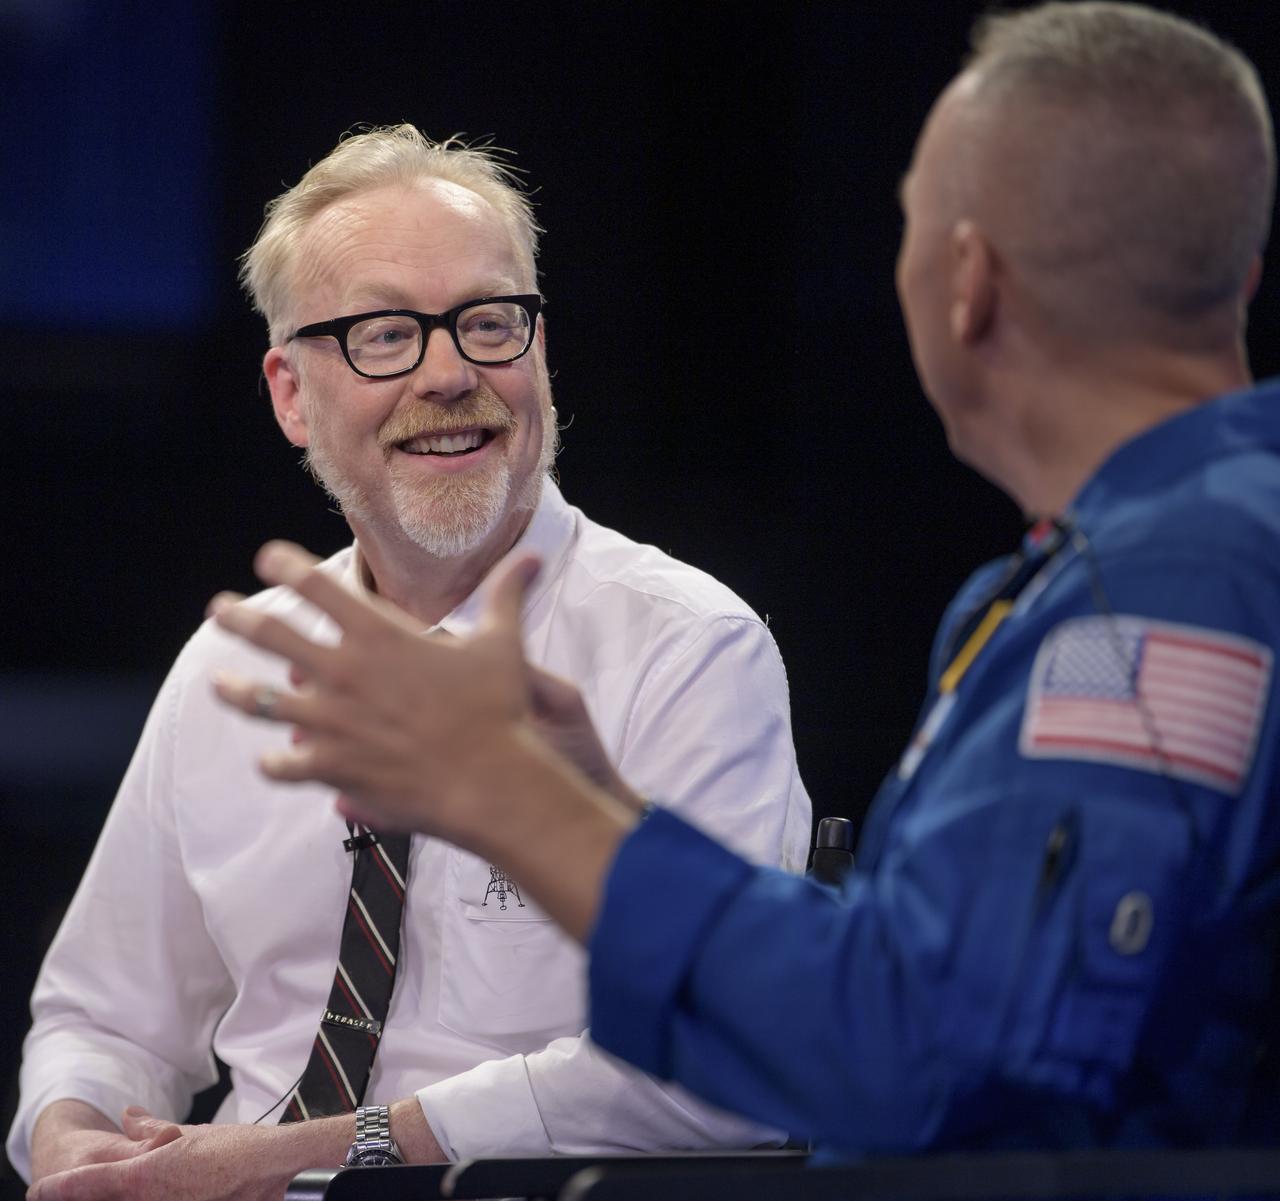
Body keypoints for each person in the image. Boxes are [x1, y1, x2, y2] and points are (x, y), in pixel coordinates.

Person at [203, 0, 1279, 1158]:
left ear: (965, 279)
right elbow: (951, 978)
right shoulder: (1128, 563)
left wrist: (514, 801)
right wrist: (607, 812)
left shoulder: (1169, 588)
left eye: (907, 217)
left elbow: (941, 1062)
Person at [9, 128, 813, 1198]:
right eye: (386, 334)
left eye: (488, 323)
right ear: (290, 393)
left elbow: (708, 1074)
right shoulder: (234, 664)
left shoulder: (682, 649)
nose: (449, 373)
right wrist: (69, 1133)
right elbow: (102, 1012)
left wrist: (307, 1153)